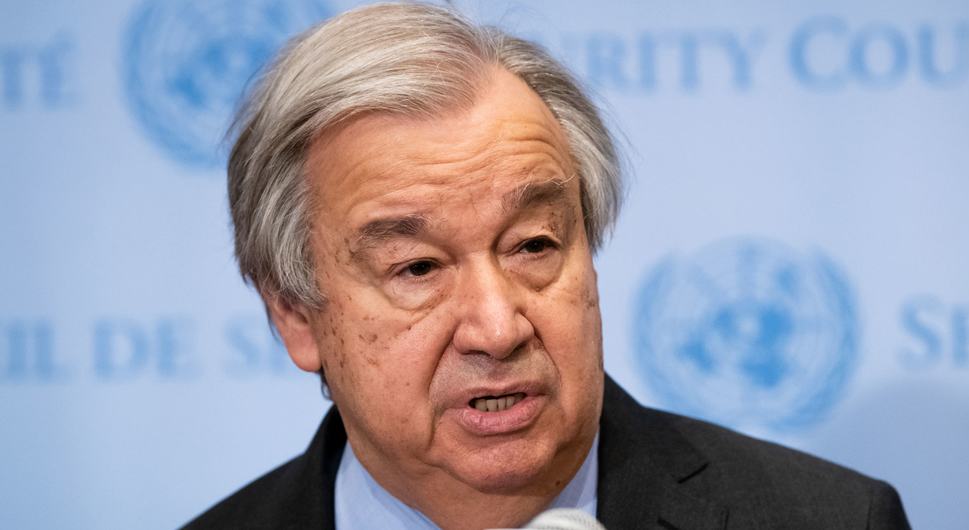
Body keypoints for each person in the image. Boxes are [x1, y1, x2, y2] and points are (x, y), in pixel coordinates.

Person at [185, 3, 911, 529]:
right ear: (295, 314)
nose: (499, 329)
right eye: (418, 268)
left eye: (533, 246)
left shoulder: (832, 519)